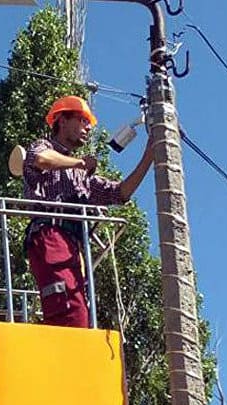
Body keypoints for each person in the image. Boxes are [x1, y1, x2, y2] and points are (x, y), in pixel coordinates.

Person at [22, 95, 154, 328]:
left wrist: (149, 156)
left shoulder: (81, 176)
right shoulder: (45, 147)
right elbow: (41, 159)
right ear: (62, 120)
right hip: (50, 233)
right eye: (82, 120)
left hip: (72, 244)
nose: (88, 127)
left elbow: (120, 193)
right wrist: (80, 163)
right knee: (67, 308)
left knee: (79, 311)